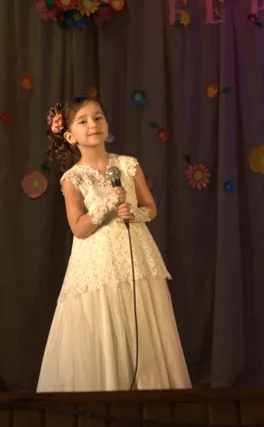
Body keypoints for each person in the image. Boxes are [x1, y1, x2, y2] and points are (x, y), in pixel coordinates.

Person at [37, 95, 191, 392]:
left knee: (141, 319)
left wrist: (135, 214)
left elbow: (150, 208)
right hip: (97, 263)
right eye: (83, 121)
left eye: (98, 117)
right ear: (69, 136)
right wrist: (106, 207)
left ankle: (148, 391)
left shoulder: (127, 165)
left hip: (136, 256)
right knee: (104, 324)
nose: (93, 125)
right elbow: (78, 228)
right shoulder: (73, 178)